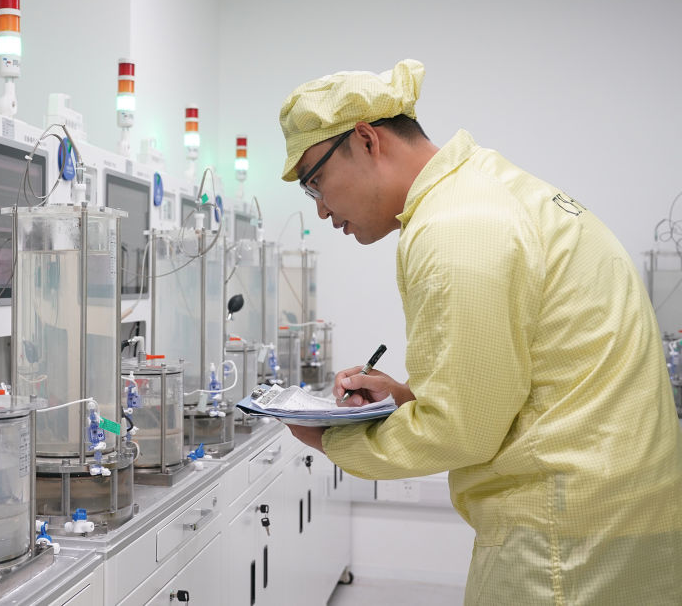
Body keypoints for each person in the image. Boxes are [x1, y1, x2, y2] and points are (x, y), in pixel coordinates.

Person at [278, 59, 682, 605]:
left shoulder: (456, 226)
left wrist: (331, 437)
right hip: (616, 519)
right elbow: (523, 382)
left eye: (315, 182)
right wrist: (408, 398)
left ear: (367, 139)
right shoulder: (491, 188)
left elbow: (459, 431)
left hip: (563, 545)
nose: (322, 210)